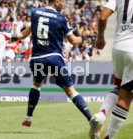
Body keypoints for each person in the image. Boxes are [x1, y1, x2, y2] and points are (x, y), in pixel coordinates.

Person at [11, 0, 97, 133]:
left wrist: (9, 37)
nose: (65, 4)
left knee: (36, 84)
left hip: (37, 59)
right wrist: (85, 39)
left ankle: (28, 117)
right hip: (54, 58)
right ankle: (91, 119)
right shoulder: (61, 18)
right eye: (63, 2)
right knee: (70, 90)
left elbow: (23, 35)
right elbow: (73, 41)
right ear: (56, 2)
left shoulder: (35, 13)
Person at [91, 0, 133, 138]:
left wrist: (100, 37)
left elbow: (102, 17)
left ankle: (102, 112)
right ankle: (110, 137)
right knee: (126, 96)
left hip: (118, 48)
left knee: (119, 88)